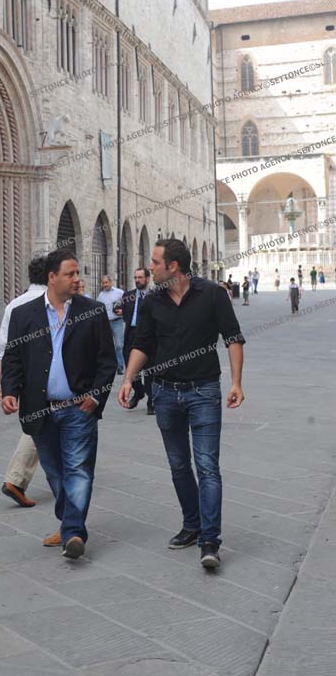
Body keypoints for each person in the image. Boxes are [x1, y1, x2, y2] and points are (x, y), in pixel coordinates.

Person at [119, 239, 245, 570]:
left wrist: (236, 382)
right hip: (164, 392)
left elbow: (233, 338)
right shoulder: (152, 300)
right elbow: (142, 343)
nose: (150, 267)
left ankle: (210, 540)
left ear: (173, 266)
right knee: (178, 465)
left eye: (155, 262)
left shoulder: (212, 294)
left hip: (203, 391)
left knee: (207, 466)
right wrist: (129, 378)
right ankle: (192, 525)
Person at [1, 248, 117, 560]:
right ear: (52, 277)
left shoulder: (92, 311)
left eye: (78, 273)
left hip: (79, 409)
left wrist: (96, 395)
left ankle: (74, 532)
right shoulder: (24, 314)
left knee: (78, 470)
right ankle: (69, 524)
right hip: (40, 408)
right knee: (54, 472)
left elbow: (107, 361)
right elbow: (13, 358)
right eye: (70, 274)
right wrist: (10, 391)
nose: (77, 279)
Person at [0, 256, 48, 509]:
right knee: (42, 424)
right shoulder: (54, 301)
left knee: (41, 422)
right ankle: (16, 479)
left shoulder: (15, 304)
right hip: (45, 376)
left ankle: (20, 479)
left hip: (20, 376)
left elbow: (4, 346)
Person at [122, 267, 154, 414]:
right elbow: (125, 316)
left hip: (148, 335)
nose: (137, 280)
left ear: (147, 279)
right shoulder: (127, 296)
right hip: (132, 334)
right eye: (135, 277)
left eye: (140, 277)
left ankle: (151, 400)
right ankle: (139, 391)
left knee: (149, 369)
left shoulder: (154, 296)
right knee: (130, 367)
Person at [96, 275, 125, 373]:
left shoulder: (119, 292)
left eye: (106, 282)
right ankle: (111, 366)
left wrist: (123, 311)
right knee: (107, 346)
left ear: (110, 282)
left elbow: (127, 304)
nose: (105, 285)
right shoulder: (100, 296)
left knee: (119, 345)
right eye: (103, 283)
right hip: (106, 323)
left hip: (117, 322)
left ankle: (120, 366)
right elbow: (97, 309)